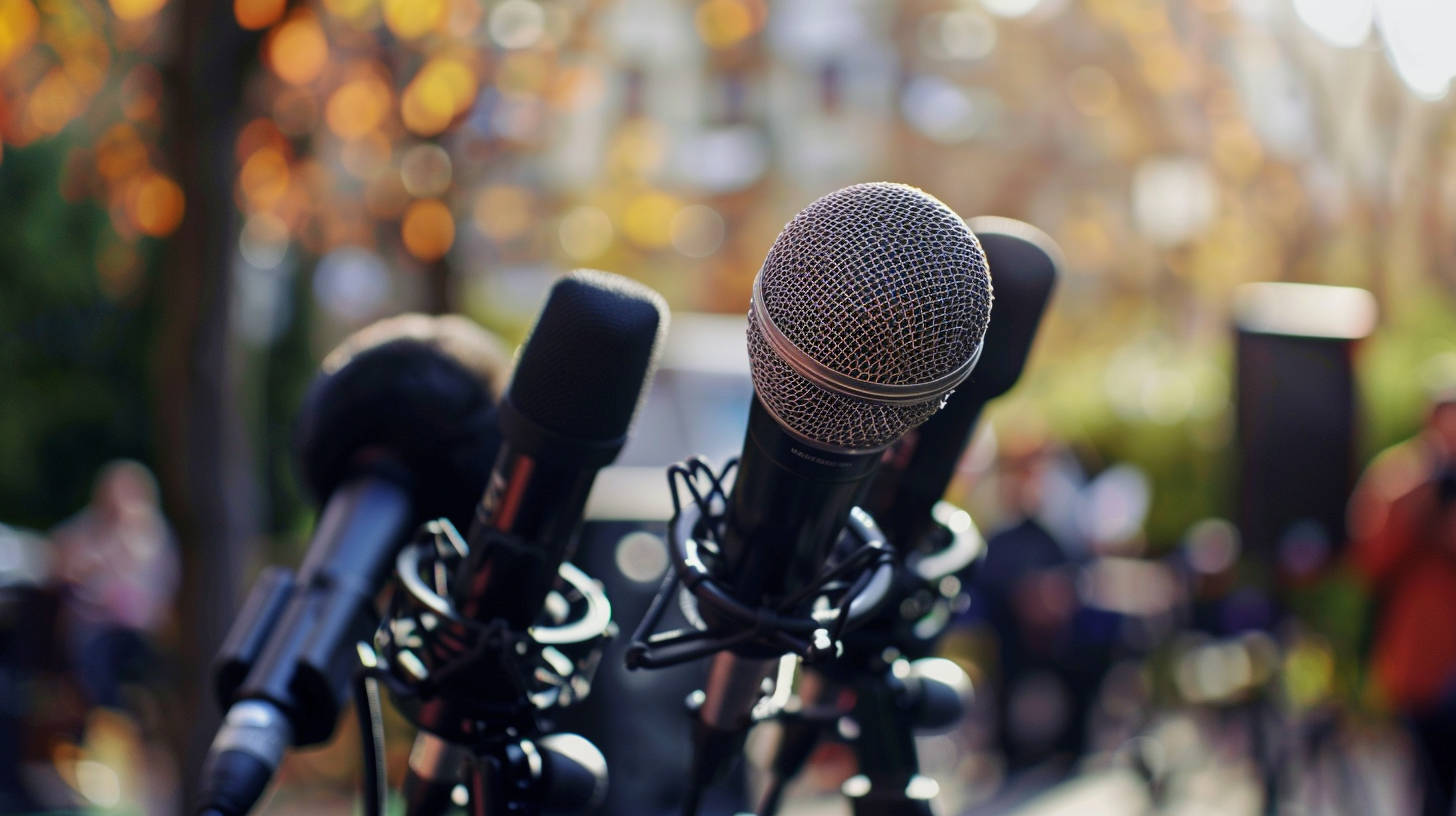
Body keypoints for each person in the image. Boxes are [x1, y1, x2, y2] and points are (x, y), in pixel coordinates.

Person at [1349, 357, 1456, 816]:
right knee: (1425, 783)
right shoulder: (1402, 475)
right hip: (1422, 660)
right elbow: (1369, 557)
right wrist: (1424, 504)